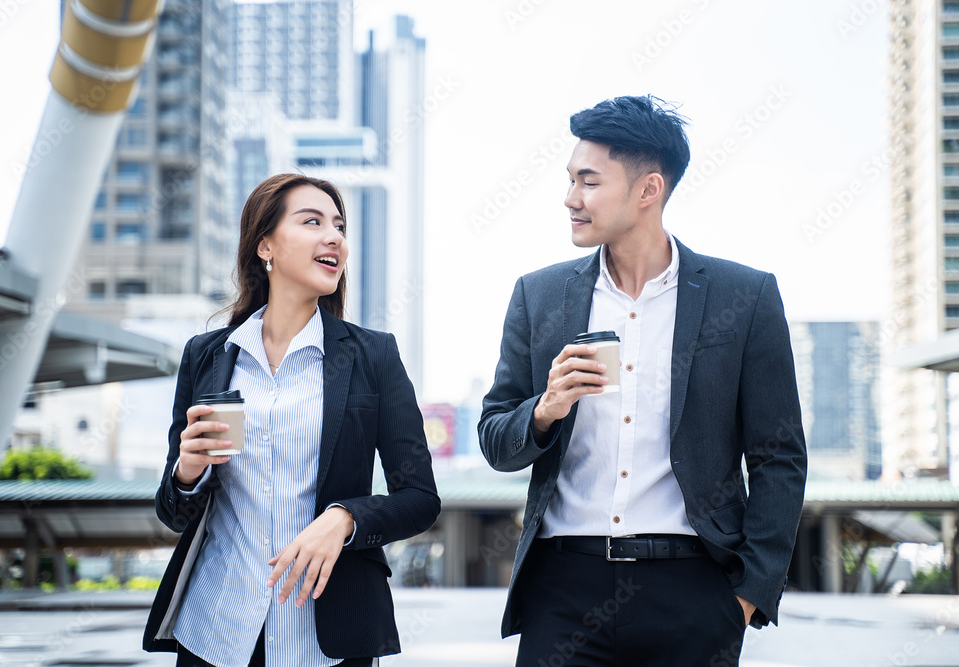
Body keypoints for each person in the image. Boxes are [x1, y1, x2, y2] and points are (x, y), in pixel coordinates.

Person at [478, 96, 808, 666]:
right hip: (563, 589)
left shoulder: (744, 297)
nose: (570, 198)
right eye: (570, 179)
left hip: (695, 594)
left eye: (588, 181)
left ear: (648, 190)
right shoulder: (539, 296)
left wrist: (747, 596)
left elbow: (779, 457)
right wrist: (545, 408)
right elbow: (494, 439)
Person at [143, 173, 440, 666]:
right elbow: (173, 513)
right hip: (216, 632)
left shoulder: (373, 356)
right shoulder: (207, 356)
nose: (334, 237)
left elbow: (421, 500)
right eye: (312, 221)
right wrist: (187, 472)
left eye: (339, 226)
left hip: (327, 636)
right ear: (266, 246)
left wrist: (346, 518)